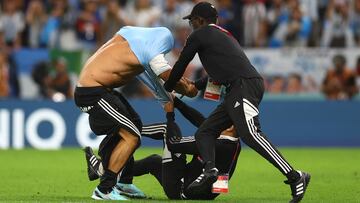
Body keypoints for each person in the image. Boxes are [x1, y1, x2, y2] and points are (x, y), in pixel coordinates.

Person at [163, 2, 310, 203]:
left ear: (199, 20)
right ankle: (210, 170)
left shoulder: (199, 34)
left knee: (250, 133)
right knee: (204, 132)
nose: (191, 25)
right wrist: (196, 86)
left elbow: (181, 64)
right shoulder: (224, 35)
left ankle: (295, 176)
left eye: (192, 21)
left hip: (243, 86)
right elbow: (221, 72)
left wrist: (167, 87)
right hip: (238, 87)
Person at [74, 26, 196, 200]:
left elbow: (150, 75)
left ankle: (123, 182)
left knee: (134, 125)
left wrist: (165, 99)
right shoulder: (150, 50)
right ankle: (104, 189)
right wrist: (187, 88)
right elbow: (164, 74)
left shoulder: (132, 38)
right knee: (132, 136)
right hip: (92, 93)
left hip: (100, 90)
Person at [84, 96, 241, 200]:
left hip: (182, 189)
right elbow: (201, 121)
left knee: (166, 130)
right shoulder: (232, 142)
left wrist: (170, 115)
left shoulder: (217, 144)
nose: (217, 120)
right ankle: (109, 172)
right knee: (154, 161)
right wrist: (178, 103)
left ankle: (130, 130)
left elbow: (173, 144)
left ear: (230, 126)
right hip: (191, 186)